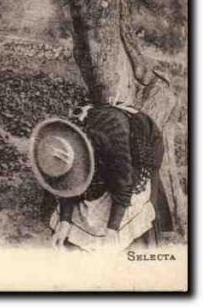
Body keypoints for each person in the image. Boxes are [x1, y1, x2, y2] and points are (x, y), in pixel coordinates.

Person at [32, 105, 173, 252]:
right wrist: (65, 222)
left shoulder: (113, 140)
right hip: (102, 143)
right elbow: (66, 185)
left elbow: (124, 185)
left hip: (142, 143)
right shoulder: (63, 141)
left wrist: (112, 228)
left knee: (135, 204)